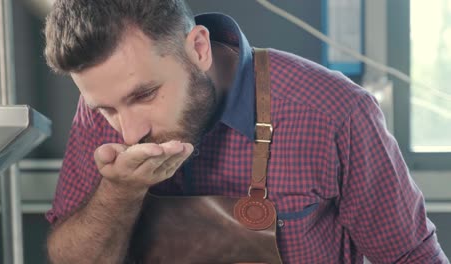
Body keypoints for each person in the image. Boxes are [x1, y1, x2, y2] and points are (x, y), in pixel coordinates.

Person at [43, 0, 449, 263]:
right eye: (107, 109)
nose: (130, 133)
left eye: (145, 94)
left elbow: (411, 257)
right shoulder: (99, 109)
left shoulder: (332, 111)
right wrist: (119, 193)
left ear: (198, 49)